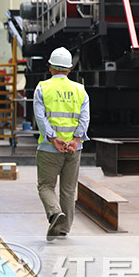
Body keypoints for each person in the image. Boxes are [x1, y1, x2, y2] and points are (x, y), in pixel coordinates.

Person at [33, 47, 90, 241]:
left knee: (46, 186)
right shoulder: (80, 89)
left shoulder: (42, 88)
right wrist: (76, 140)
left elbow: (40, 118)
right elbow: (84, 118)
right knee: (68, 190)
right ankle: (64, 229)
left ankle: (54, 213)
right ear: (69, 69)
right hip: (74, 149)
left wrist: (52, 138)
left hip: (50, 148)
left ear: (50, 68)